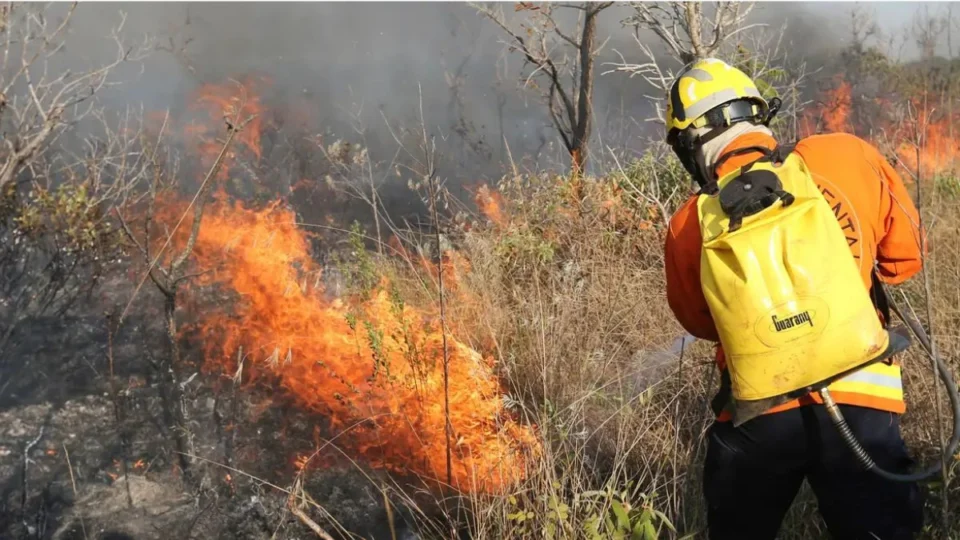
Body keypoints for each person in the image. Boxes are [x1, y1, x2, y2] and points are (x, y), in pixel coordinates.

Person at [662, 58, 927, 540]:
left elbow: (701, 323)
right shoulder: (845, 154)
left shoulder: (688, 223)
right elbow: (905, 261)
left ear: (690, 142)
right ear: (757, 112)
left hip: (758, 414)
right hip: (863, 397)